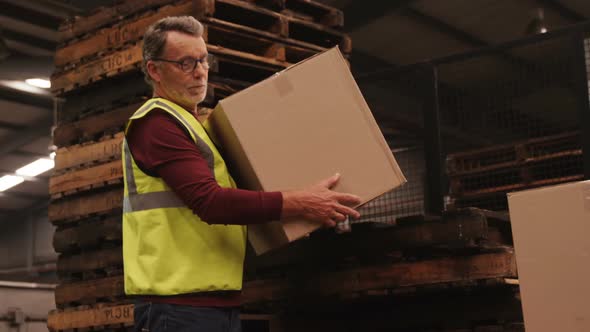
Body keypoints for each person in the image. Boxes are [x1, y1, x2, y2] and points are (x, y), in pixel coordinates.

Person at [122, 16, 361, 332]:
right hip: (178, 307)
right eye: (186, 63)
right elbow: (210, 202)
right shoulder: (157, 124)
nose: (200, 71)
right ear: (155, 70)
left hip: (213, 302)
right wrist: (301, 203)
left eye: (204, 60)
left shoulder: (196, 127)